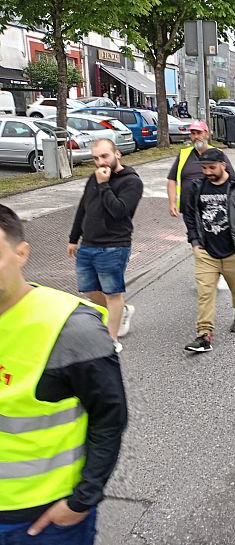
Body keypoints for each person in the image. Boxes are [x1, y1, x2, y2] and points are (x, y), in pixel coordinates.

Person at [0, 204, 127, 544]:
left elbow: (109, 417)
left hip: (41, 520)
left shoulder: (72, 329)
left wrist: (81, 501)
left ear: (21, 253)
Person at [68, 139, 143, 353]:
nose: (100, 162)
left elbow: (118, 211)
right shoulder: (94, 177)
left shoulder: (131, 182)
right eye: (96, 158)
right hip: (88, 243)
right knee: (88, 289)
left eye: (104, 156)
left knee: (112, 293)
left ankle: (111, 340)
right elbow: (83, 208)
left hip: (114, 245)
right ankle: (121, 310)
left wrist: (104, 185)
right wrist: (73, 238)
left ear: (117, 154)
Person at [183, 148, 235, 352]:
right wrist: (194, 241)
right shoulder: (198, 187)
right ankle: (204, 335)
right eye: (204, 168)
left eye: (212, 167)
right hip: (206, 252)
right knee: (205, 293)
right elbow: (189, 215)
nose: (207, 172)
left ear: (223, 165)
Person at [167, 120, 233, 218]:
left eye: (199, 133)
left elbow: (232, 179)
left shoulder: (218, 154)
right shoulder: (184, 154)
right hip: (189, 209)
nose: (196, 137)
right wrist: (172, 203)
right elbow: (172, 179)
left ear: (207, 134)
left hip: (212, 208)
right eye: (193, 134)